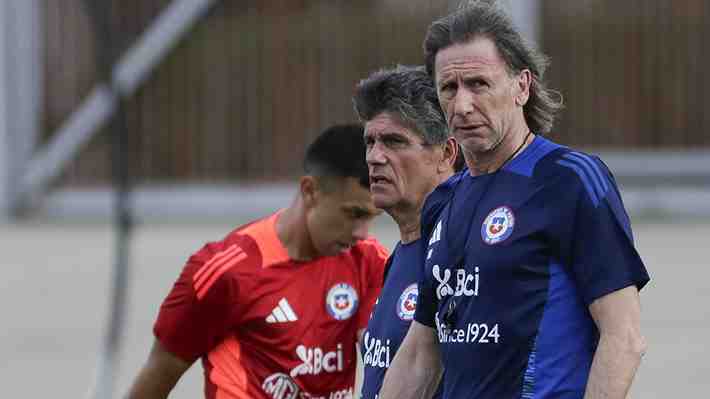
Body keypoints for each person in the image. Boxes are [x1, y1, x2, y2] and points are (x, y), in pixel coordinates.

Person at [379, 3, 650, 399]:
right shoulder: (443, 201)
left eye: (479, 84)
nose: (462, 105)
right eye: (448, 88)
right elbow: (422, 352)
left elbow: (623, 337)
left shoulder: (568, 179)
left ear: (522, 86)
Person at [126, 124, 388, 399]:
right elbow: (160, 372)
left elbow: (385, 358)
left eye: (371, 217)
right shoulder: (225, 271)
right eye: (354, 214)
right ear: (310, 191)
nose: (362, 232)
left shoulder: (369, 262)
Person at [352, 65, 459, 399]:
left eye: (394, 142)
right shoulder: (400, 255)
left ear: (446, 153)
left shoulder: (464, 252)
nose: (375, 157)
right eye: (370, 142)